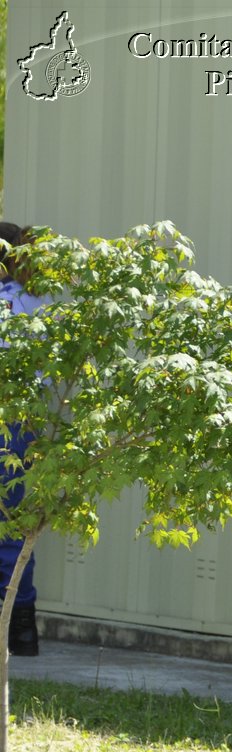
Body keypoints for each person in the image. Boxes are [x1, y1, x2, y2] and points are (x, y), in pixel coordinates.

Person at [1, 222, 46, 657]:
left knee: (9, 524)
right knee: (13, 525)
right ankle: (22, 631)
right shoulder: (33, 299)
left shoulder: (10, 301)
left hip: (8, 418)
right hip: (22, 419)